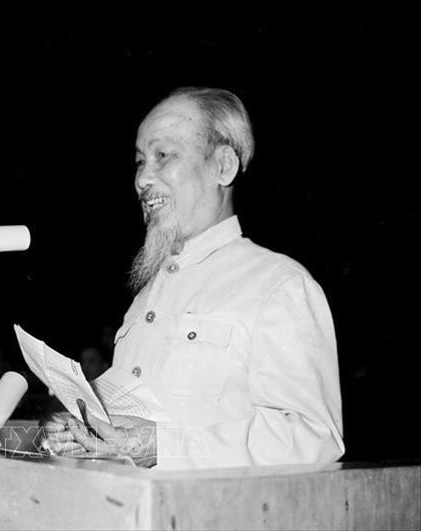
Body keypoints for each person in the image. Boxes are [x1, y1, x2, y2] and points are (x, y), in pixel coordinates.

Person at [43, 87, 344, 469]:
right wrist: (86, 427)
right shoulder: (148, 294)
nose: (142, 180)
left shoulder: (278, 285)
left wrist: (163, 447)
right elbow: (139, 420)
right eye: (139, 161)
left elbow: (313, 438)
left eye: (162, 156)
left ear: (223, 166)